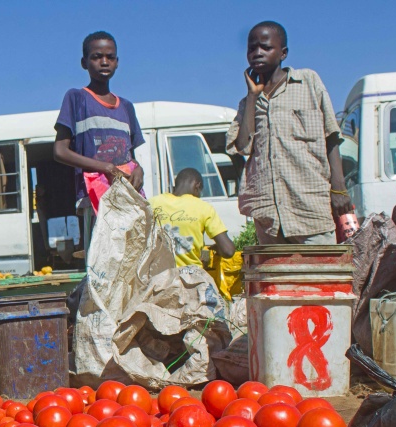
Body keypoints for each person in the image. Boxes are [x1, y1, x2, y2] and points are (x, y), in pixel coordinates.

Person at [227, 21, 351, 245]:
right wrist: (253, 96)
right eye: (251, 48)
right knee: (278, 278)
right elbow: (243, 147)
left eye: (265, 47)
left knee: (319, 277)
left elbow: (331, 136)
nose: (257, 53)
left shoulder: (308, 82)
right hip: (269, 218)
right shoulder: (248, 103)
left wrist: (339, 189)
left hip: (310, 208)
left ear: (283, 53)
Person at [54, 31, 145, 253]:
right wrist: (105, 167)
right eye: (96, 56)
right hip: (94, 199)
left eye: (110, 56)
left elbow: (129, 155)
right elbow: (59, 151)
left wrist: (139, 169)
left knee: (130, 261)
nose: (104, 61)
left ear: (117, 62)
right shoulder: (76, 98)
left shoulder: (126, 107)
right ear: (84, 62)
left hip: (125, 198)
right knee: (101, 263)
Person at [150, 168, 236, 267]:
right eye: (200, 192)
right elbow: (228, 251)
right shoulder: (203, 208)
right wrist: (218, 249)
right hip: (190, 277)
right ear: (197, 186)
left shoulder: (152, 203)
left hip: (158, 276)